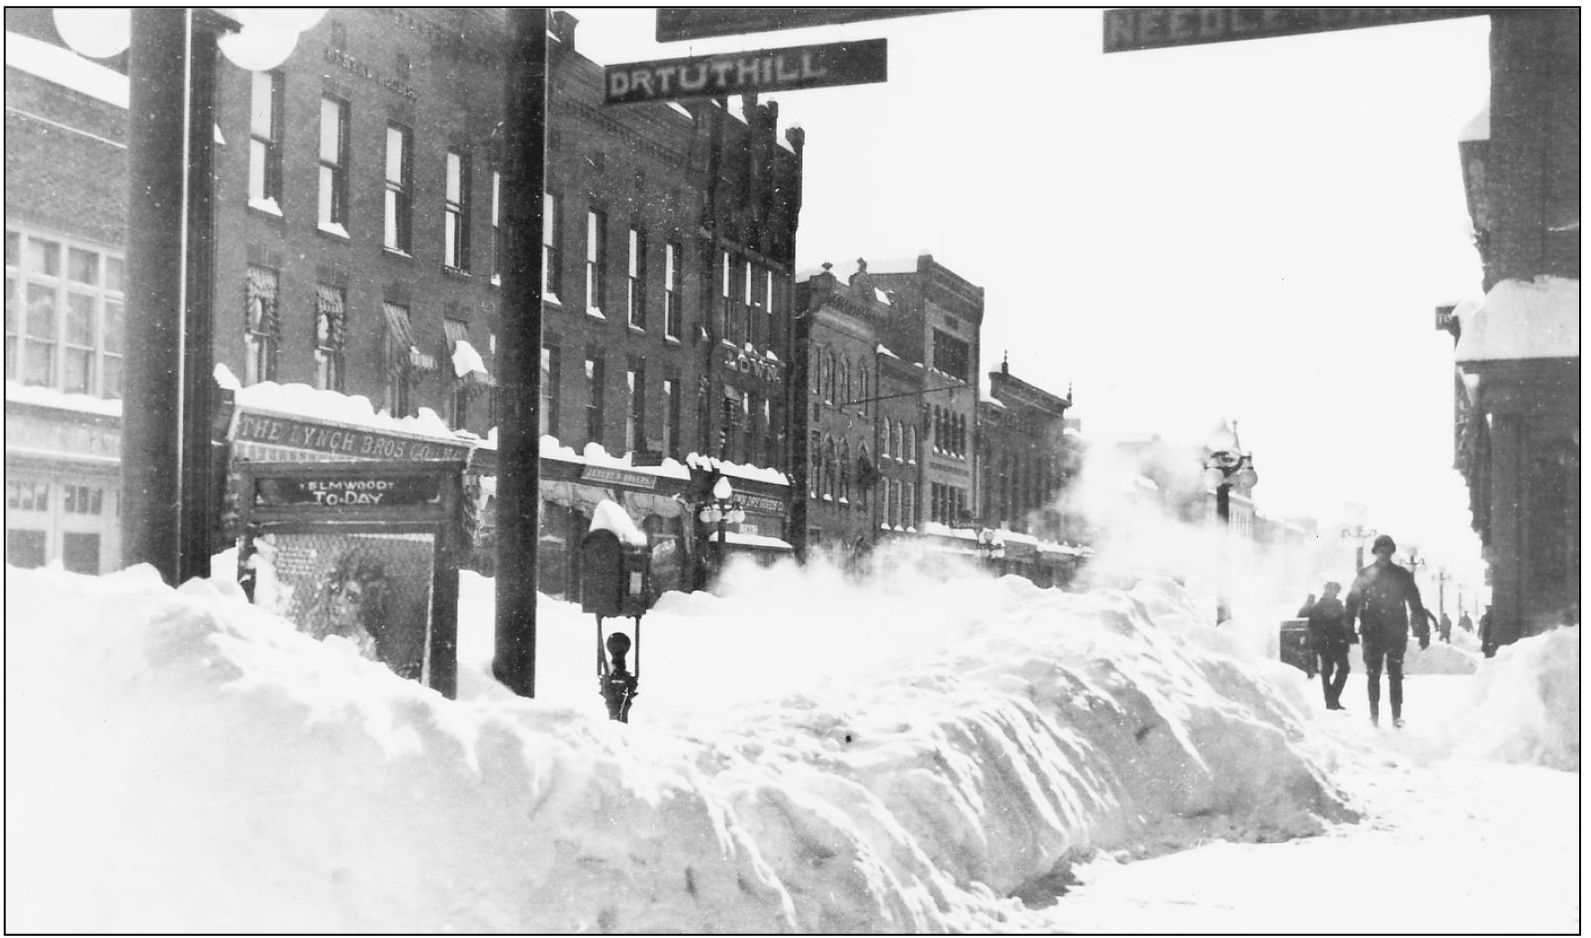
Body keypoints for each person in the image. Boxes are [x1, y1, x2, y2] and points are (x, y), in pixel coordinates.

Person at [1345, 534, 1428, 728]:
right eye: (1381, 551)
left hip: (1395, 630)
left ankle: (1396, 716)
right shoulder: (1365, 574)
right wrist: (1348, 626)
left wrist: (1423, 630)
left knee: (1395, 673)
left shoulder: (1402, 575)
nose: (1384, 555)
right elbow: (1352, 602)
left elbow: (1415, 604)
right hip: (1372, 630)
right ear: (1375, 552)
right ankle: (1374, 716)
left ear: (1392, 552)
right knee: (1373, 674)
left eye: (1388, 551)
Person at [1307, 581, 1353, 710]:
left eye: (1335, 590)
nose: (1332, 592)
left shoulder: (1337, 605)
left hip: (1337, 643)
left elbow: (1344, 624)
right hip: (1327, 642)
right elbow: (1314, 626)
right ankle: (1331, 700)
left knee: (1341, 669)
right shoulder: (1319, 607)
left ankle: (1332, 697)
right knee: (1329, 671)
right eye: (1330, 589)